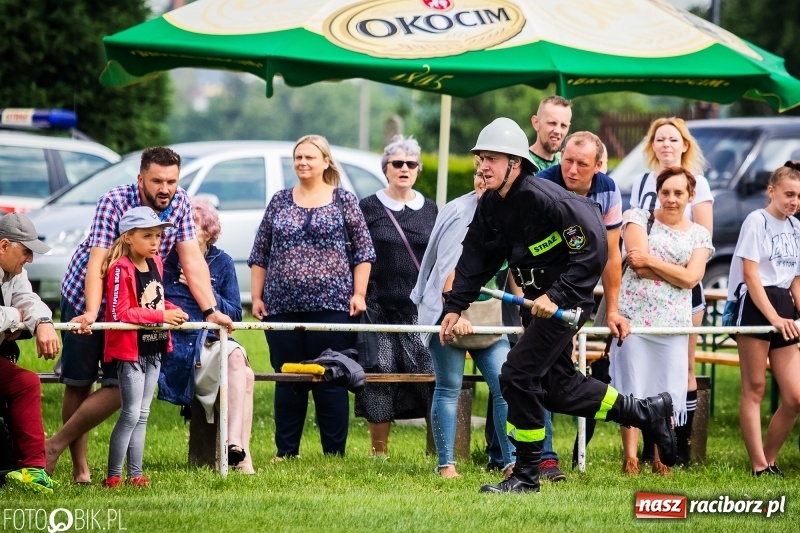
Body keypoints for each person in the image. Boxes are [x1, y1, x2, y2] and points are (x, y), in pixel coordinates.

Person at [439, 117, 677, 494]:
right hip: (535, 305)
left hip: (565, 303)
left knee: (517, 373)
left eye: (492, 159)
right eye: (481, 158)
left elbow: (595, 246)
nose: (483, 166)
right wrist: (455, 306)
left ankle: (526, 475)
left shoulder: (547, 199)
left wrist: (558, 295)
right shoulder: (490, 207)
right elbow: (474, 259)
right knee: (558, 387)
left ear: (515, 164)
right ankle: (646, 411)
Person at [46, 147, 233, 484]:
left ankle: (54, 445)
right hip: (87, 296)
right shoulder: (115, 201)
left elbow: (192, 262)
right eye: (157, 180)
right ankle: (80, 469)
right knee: (80, 381)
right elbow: (98, 262)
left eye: (172, 181)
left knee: (121, 388)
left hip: (138, 311)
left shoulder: (180, 202)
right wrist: (91, 312)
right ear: (141, 178)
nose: (165, 188)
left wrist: (211, 310)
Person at [249, 134, 374, 459]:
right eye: (298, 157)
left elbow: (364, 251)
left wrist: (359, 294)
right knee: (287, 377)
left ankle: (334, 453)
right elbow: (260, 252)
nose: (303, 162)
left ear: (326, 161)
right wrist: (257, 296)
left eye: (310, 157)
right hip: (281, 306)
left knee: (331, 376)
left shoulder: (344, 200)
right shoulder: (279, 200)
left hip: (333, 306)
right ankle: (285, 451)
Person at [411, 158, 515, 478]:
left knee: (506, 385)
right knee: (448, 387)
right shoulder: (458, 211)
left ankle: (511, 461)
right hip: (449, 313)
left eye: (489, 174)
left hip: (489, 317)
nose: (483, 180)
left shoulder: (512, 212)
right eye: (478, 174)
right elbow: (447, 269)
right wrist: (454, 314)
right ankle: (446, 464)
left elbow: (514, 270)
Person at [537, 131, 629, 480]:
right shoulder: (543, 185)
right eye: (567, 161)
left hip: (577, 296)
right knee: (535, 373)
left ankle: (638, 412)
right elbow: (523, 253)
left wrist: (614, 309)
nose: (571, 170)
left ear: (599, 166)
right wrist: (533, 302)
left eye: (582, 164)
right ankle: (543, 457)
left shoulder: (607, 189)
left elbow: (609, 257)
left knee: (548, 376)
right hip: (539, 291)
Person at [610, 167, 713, 476]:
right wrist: (676, 272)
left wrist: (654, 262)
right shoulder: (638, 218)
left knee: (666, 390)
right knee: (633, 386)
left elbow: (692, 278)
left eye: (678, 193)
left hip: (673, 324)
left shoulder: (699, 233)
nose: (671, 199)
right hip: (635, 319)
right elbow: (635, 265)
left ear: (690, 196)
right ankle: (630, 458)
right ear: (658, 192)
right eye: (666, 192)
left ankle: (660, 456)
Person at [631, 117, 712, 466]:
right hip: (643, 295)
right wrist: (658, 267)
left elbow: (701, 237)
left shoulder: (701, 184)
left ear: (684, 145)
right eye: (659, 139)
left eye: (672, 139)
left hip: (685, 296)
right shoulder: (641, 182)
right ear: (652, 146)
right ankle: (649, 451)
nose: (666, 144)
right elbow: (634, 250)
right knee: (641, 372)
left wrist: (675, 272)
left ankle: (679, 447)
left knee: (684, 369)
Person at [355, 135, 437, 457]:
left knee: (431, 374)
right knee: (380, 374)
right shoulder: (369, 207)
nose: (404, 168)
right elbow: (358, 254)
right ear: (386, 168)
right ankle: (379, 452)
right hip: (378, 307)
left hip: (419, 310)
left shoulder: (430, 208)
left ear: (417, 169)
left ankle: (437, 448)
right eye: (397, 163)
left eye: (411, 164)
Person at [160, 198, 255, 473]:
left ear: (209, 232)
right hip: (178, 344)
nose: (185, 233)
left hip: (214, 342)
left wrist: (204, 292)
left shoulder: (222, 262)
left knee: (239, 361)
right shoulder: (167, 261)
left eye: (194, 227)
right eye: (183, 227)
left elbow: (235, 315)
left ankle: (234, 444)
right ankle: (241, 457)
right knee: (245, 374)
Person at [100, 207, 188, 488]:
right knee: (130, 413)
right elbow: (121, 313)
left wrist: (174, 310)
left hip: (155, 347)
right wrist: (162, 316)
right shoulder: (119, 269)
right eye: (147, 236)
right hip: (131, 351)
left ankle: (135, 474)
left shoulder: (157, 263)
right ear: (128, 238)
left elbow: (155, 302)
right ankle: (114, 476)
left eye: (158, 236)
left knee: (144, 414)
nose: (155, 242)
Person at [727, 161, 800, 476]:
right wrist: (773, 318)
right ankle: (758, 465)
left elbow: (795, 279)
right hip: (756, 305)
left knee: (795, 396)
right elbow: (751, 276)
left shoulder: (797, 227)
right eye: (789, 194)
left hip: (784, 306)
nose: (794, 201)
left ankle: (768, 459)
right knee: (754, 387)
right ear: (771, 191)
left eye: (799, 196)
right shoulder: (756, 220)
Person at [0, 213, 59, 493]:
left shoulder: (15, 272)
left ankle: (33, 469)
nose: (30, 260)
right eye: (26, 251)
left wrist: (43, 323)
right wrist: (13, 317)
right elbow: (16, 311)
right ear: (3, 246)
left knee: (26, 382)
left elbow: (29, 300)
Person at [529, 95, 572, 172]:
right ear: (536, 123)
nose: (558, 131)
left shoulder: (567, 166)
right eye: (552, 123)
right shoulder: (522, 163)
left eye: (563, 125)